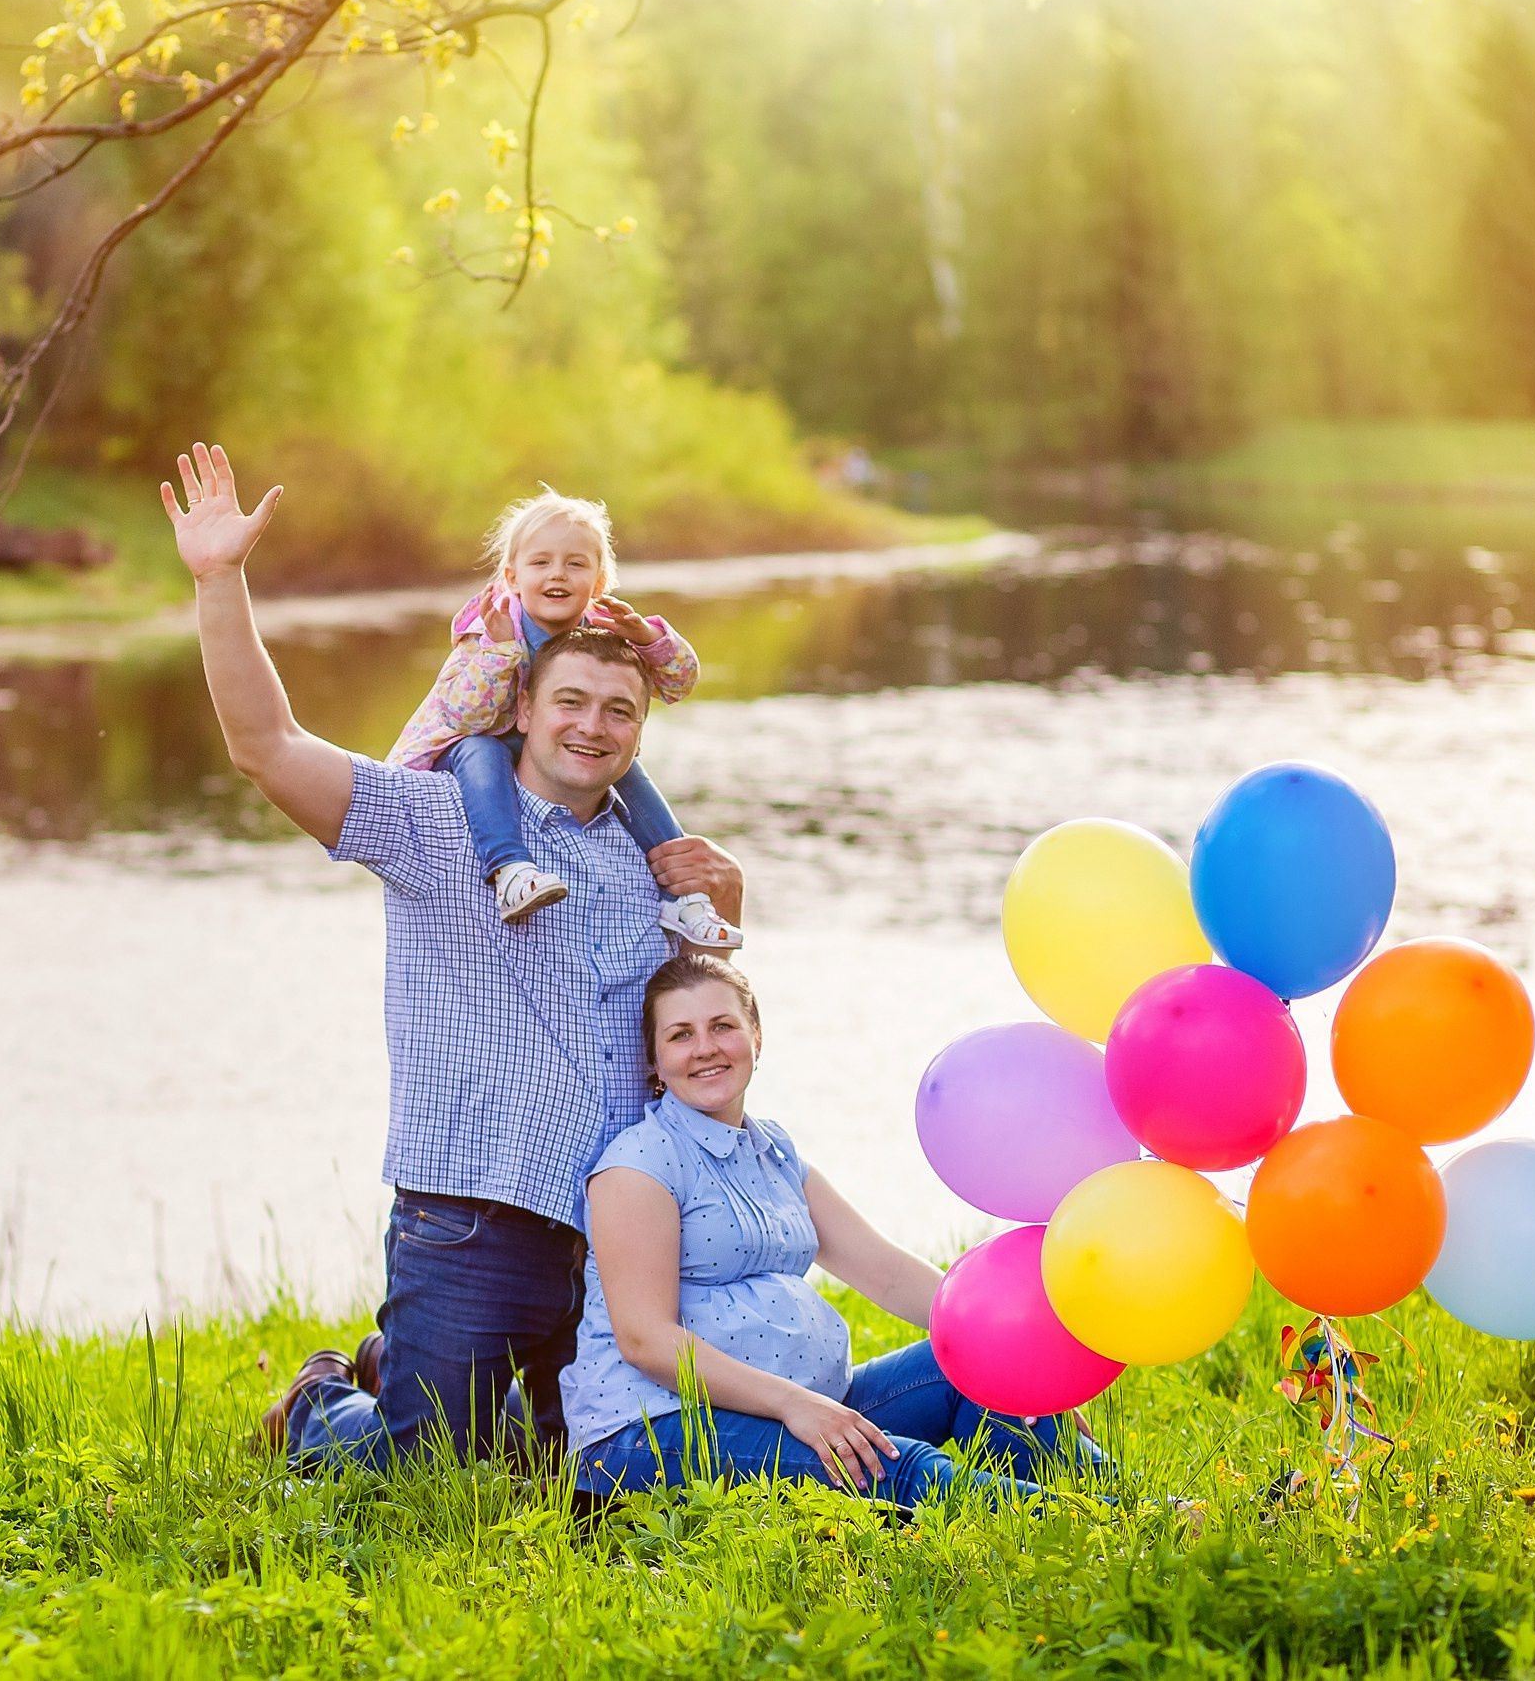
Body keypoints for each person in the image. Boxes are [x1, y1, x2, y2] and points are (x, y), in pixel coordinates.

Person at [155, 443, 745, 1468]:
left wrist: (727, 923)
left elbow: (696, 1045)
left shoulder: (651, 861)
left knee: (590, 1474)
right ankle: (315, 1405)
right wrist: (220, 582)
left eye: (619, 711)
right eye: (570, 703)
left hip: (612, 1237)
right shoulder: (435, 823)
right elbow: (267, 745)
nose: (592, 726)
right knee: (429, 1477)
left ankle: (415, 1365)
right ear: (519, 707)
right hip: (470, 1215)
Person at [565, 955, 1102, 1508]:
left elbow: (887, 1272)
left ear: (755, 1036)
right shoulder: (638, 1167)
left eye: (722, 1026)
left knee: (982, 1371)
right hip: (653, 1432)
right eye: (681, 1035)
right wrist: (792, 1404)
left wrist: (1011, 1353)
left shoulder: (774, 1152)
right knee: (903, 1466)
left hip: (807, 1405)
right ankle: (1112, 1524)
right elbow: (645, 1340)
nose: (705, 1047)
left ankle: (1130, 1505)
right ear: (655, 1060)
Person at [387, 487, 740, 949]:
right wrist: (500, 652)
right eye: (541, 563)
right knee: (482, 750)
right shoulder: (490, 627)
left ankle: (685, 899)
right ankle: (510, 868)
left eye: (575, 564)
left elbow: (680, 683)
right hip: (473, 743)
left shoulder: (602, 631)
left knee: (628, 766)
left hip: (546, 746)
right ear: (513, 578)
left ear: (598, 582)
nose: (558, 574)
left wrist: (649, 637)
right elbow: (465, 714)